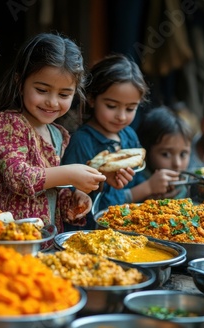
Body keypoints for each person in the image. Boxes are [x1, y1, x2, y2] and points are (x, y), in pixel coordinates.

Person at [0, 33, 106, 234]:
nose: (52, 102)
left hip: (37, 237)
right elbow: (19, 178)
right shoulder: (6, 123)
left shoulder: (58, 135)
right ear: (20, 83)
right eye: (42, 90)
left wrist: (71, 199)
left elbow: (46, 189)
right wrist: (69, 174)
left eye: (64, 94)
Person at [62, 54, 157, 230]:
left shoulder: (129, 136)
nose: (121, 116)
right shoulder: (82, 141)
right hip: (89, 231)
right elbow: (70, 193)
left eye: (130, 108)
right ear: (91, 99)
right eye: (111, 106)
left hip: (124, 229)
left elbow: (136, 181)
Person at [136, 106, 193, 199]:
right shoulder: (135, 180)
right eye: (166, 154)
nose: (177, 164)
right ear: (145, 153)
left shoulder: (185, 185)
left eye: (183, 154)